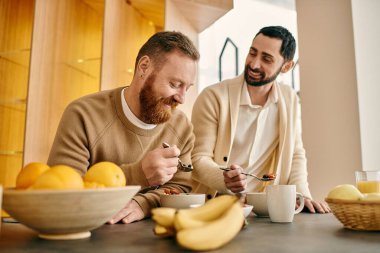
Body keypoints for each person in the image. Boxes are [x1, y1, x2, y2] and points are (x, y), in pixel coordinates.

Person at [48, 31, 200, 223]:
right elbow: (61, 195)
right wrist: (138, 174)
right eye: (175, 84)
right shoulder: (83, 114)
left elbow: (181, 187)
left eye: (187, 88)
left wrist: (143, 203)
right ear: (144, 67)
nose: (182, 98)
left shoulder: (182, 126)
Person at [191, 26, 330, 213]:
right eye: (252, 53)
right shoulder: (213, 97)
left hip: (267, 210)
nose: (254, 64)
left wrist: (302, 195)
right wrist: (224, 178)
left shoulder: (289, 99)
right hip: (216, 207)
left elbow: (296, 153)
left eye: (266, 59)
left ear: (287, 66)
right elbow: (198, 159)